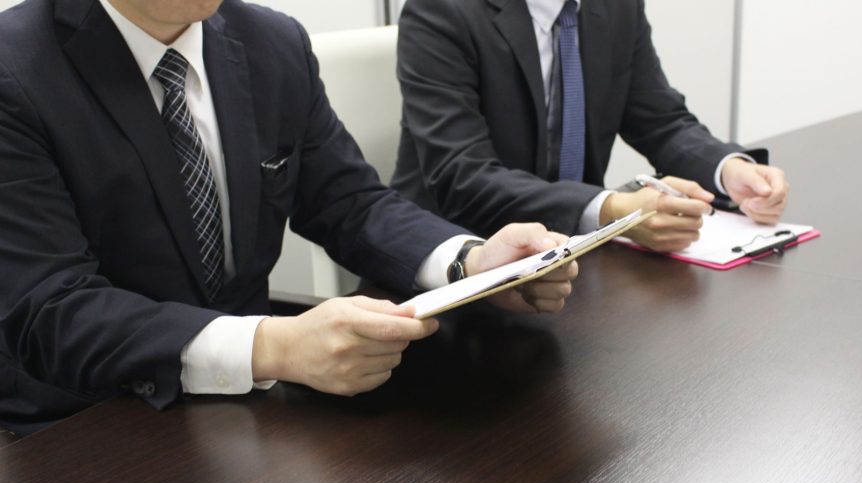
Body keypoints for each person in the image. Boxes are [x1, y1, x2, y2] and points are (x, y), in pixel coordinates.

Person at [0, 0, 579, 435]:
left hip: (249, 408)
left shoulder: (271, 42)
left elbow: (350, 202)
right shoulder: (16, 69)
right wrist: (274, 346)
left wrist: (472, 263)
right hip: (84, 426)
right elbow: (50, 307)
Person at [391, 0, 790, 253]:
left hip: (570, 256)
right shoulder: (441, 10)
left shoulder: (617, 7)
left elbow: (661, 121)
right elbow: (463, 176)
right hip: (454, 258)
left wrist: (728, 170)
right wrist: (614, 211)